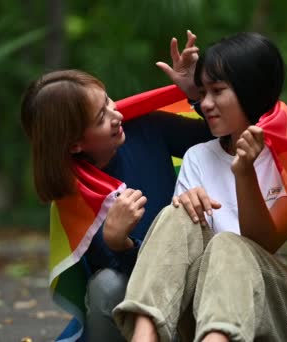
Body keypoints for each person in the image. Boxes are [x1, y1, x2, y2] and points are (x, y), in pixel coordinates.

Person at [113, 32, 287, 342]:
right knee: (177, 215)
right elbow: (181, 261)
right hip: (206, 308)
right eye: (203, 92)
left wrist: (245, 175)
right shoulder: (198, 157)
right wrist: (187, 204)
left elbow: (259, 243)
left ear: (251, 90)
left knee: (229, 245)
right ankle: (143, 337)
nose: (205, 104)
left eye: (217, 91)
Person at [20, 37, 213, 341]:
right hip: (136, 292)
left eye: (109, 101)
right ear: (74, 144)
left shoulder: (144, 127)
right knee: (105, 286)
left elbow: (214, 137)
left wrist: (196, 93)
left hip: (191, 270)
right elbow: (127, 276)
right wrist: (117, 241)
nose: (117, 114)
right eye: (101, 118)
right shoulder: (77, 192)